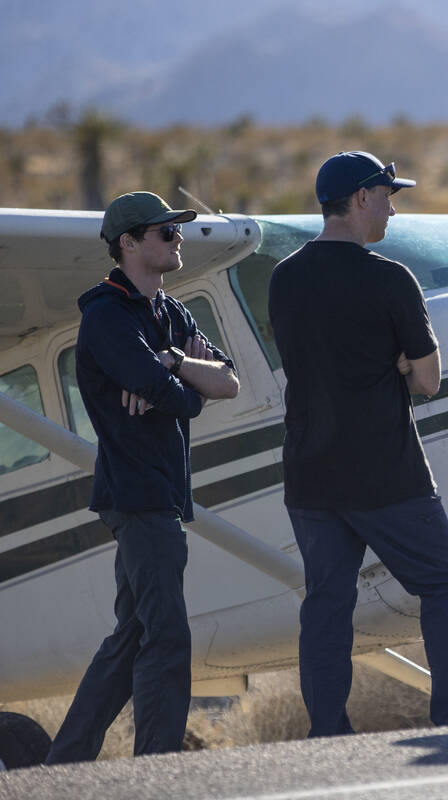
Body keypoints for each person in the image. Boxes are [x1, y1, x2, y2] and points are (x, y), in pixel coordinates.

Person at [268, 151, 448, 734]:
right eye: (388, 194)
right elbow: (429, 380)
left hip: (310, 474)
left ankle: (327, 732)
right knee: (444, 585)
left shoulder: (284, 277)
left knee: (327, 605)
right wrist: (398, 365)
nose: (393, 207)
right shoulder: (390, 278)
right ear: (361, 198)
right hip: (386, 471)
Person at [46, 192, 240, 763]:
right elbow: (184, 403)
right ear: (129, 243)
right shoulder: (106, 316)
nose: (177, 239)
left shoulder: (170, 313)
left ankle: (63, 763)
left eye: (176, 231)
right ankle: (157, 765)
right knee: (167, 634)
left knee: (131, 636)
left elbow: (225, 383)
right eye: (164, 232)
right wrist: (180, 382)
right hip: (137, 496)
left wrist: (175, 364)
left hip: (162, 493)